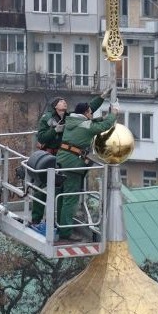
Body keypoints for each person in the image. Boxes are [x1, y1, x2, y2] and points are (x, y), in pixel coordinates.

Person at [31, 88, 111, 227]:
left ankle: (55, 221)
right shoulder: (47, 118)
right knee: (42, 189)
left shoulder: (69, 117)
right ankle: (36, 219)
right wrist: (54, 130)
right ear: (55, 106)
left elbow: (86, 111)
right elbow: (42, 137)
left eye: (65, 101)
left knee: (59, 190)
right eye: (61, 101)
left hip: (62, 156)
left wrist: (102, 97)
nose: (65, 103)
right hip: (49, 155)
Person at [55, 100, 118, 242]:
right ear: (85, 113)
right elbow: (104, 126)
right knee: (70, 199)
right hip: (73, 165)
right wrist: (113, 114)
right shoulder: (86, 125)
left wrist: (102, 115)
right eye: (90, 112)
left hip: (61, 161)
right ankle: (65, 232)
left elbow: (92, 122)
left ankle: (60, 226)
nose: (91, 114)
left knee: (62, 196)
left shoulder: (72, 121)